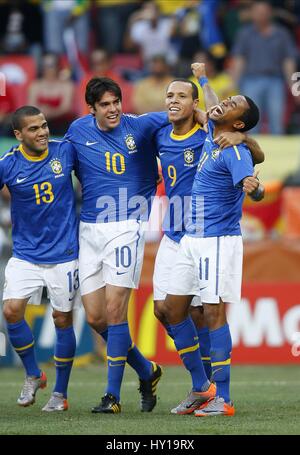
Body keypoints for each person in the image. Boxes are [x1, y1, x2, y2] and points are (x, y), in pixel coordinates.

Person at [161, 64, 264, 417]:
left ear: (239, 124)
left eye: (233, 104)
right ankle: (201, 386)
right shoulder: (212, 135)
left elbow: (252, 185)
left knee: (213, 312)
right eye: (227, 98)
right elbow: (216, 105)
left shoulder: (237, 150)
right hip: (191, 239)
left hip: (218, 241)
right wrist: (203, 79)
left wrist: (256, 187)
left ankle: (225, 397)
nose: (223, 103)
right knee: (172, 311)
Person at [65, 77, 171, 414]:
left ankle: (112, 397)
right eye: (105, 105)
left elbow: (185, 113)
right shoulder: (77, 131)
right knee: (96, 318)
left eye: (116, 103)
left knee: (114, 311)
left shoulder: (140, 125)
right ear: (92, 108)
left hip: (128, 225)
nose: (113, 110)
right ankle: (145, 369)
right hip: (89, 229)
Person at [1, 106, 79, 412]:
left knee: (62, 319)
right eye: (33, 129)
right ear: (19, 135)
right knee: (11, 311)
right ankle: (33, 373)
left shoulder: (65, 152)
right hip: (25, 254)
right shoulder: (8, 163)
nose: (42, 132)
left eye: (44, 126)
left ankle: (60, 393)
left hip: (64, 254)